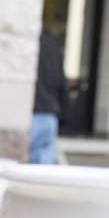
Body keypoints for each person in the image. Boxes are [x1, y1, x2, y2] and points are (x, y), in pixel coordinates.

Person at [29, 30, 68, 164]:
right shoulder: (52, 45)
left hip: (30, 115)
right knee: (41, 174)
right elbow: (62, 84)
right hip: (49, 117)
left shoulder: (26, 42)